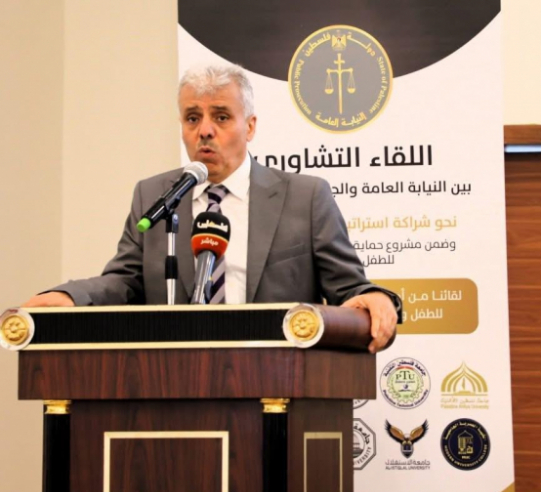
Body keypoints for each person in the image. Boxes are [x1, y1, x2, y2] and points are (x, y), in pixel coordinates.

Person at [22, 64, 399, 353]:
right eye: (192, 118)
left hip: (278, 380)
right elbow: (125, 281)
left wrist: (377, 298)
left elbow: (348, 288)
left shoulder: (305, 197)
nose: (204, 130)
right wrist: (72, 297)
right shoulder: (155, 196)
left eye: (221, 117)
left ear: (249, 127)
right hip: (175, 381)